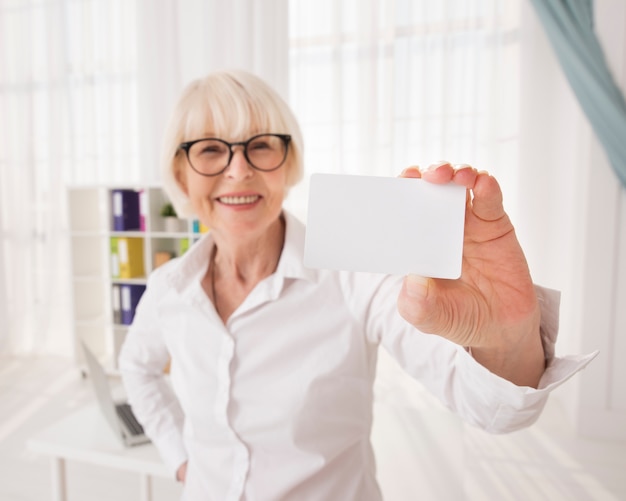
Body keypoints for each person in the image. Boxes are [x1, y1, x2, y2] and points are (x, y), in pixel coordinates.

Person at [119, 69, 595, 500]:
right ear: (180, 172)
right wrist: (181, 458)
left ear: (288, 161)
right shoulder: (168, 289)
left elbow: (493, 408)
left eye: (260, 144)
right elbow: (137, 368)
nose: (238, 169)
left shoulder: (355, 274)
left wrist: (505, 338)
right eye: (209, 149)